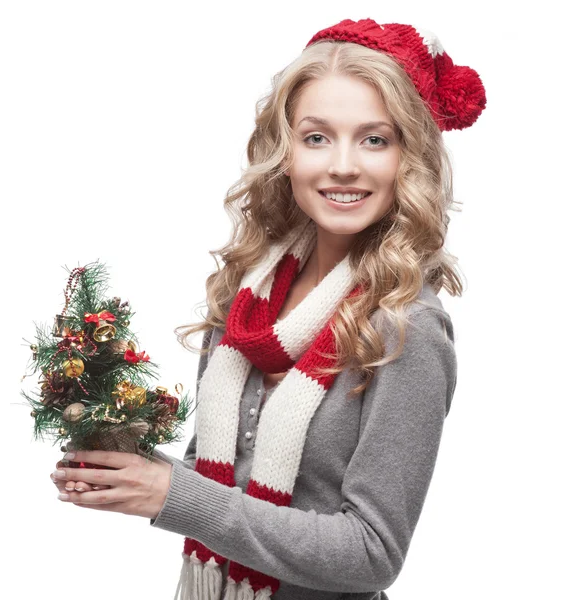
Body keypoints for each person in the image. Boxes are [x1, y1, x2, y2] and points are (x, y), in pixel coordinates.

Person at [50, 17, 486, 600]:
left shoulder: (407, 326)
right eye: (317, 137)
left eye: (374, 138)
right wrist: (120, 463)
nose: (343, 165)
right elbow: (219, 484)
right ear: (284, 152)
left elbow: (371, 553)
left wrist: (171, 497)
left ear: (410, 156)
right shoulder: (247, 296)